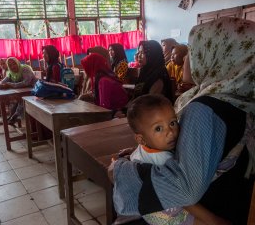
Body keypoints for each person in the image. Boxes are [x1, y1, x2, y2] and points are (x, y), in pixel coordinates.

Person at [109, 17, 255, 225]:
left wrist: (120, 169)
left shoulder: (205, 109)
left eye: (192, 52)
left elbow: (184, 188)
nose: (186, 59)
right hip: (229, 207)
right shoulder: (242, 100)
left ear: (215, 56)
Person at [115, 94, 229, 225]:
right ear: (141, 138)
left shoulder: (141, 148)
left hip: (148, 210)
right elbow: (182, 196)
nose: (170, 132)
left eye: (173, 123)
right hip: (165, 213)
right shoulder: (164, 158)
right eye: (158, 128)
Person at [0, 57, 37, 124]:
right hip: (23, 93)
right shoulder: (10, 73)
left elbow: (26, 82)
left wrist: (10, 84)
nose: (13, 66)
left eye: (14, 63)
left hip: (35, 90)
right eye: (10, 65)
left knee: (22, 99)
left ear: (17, 62)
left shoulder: (25, 68)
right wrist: (0, 85)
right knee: (17, 99)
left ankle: (15, 116)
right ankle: (13, 116)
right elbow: (2, 82)